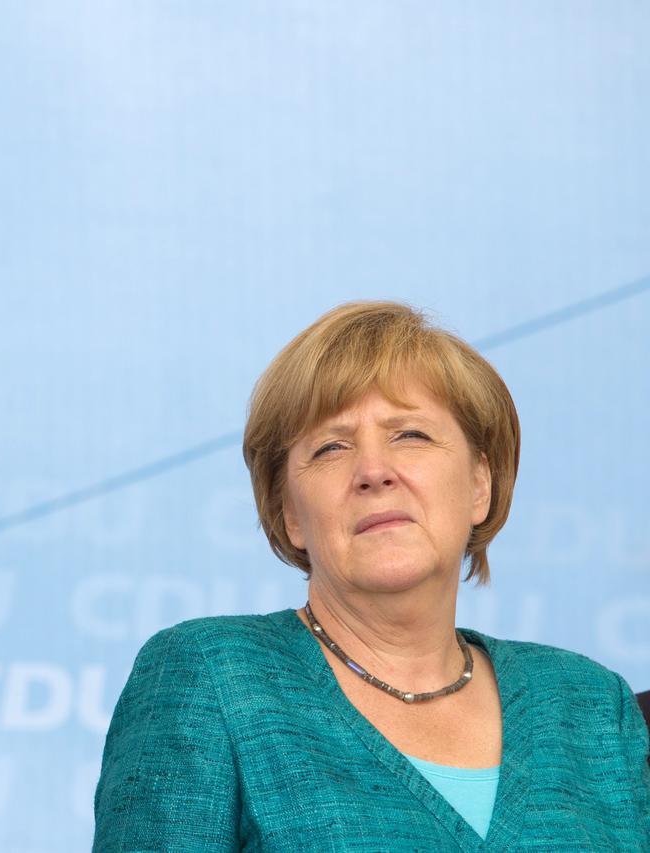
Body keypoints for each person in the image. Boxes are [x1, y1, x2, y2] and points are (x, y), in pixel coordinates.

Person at [93, 302, 650, 850]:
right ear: (290, 514)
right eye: (331, 447)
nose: (374, 472)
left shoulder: (593, 704)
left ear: (480, 485)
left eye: (410, 435)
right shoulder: (212, 675)